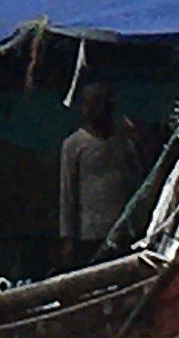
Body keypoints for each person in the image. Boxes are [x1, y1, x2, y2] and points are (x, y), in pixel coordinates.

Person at [57, 81, 145, 269]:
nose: (90, 110)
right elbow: (68, 195)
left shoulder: (123, 139)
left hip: (123, 229)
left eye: (97, 103)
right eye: (86, 104)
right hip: (90, 233)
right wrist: (68, 238)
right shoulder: (73, 145)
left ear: (109, 106)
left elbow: (138, 179)